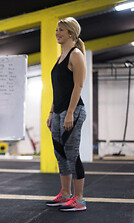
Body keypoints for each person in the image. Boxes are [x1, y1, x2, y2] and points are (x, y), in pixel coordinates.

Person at [46, 17, 87, 212]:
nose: (57, 33)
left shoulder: (75, 54)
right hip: (58, 111)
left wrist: (70, 113)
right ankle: (65, 194)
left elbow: (78, 85)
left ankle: (79, 199)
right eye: (56, 30)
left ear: (71, 33)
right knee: (60, 154)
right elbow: (58, 89)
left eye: (61, 30)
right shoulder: (60, 56)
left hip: (74, 110)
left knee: (72, 154)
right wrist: (51, 112)